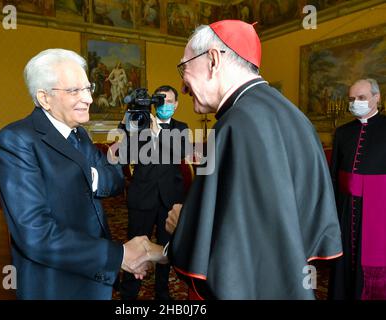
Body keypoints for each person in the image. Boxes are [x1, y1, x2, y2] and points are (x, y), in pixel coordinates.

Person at [137, 20, 343, 299]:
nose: (182, 88)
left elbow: (237, 244)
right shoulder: (293, 115)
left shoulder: (237, 123)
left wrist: (183, 224)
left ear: (212, 60)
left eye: (183, 68)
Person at [0, 48, 150, 300]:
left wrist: (89, 176)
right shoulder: (15, 141)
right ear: (44, 98)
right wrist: (119, 256)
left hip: (94, 277)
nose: (88, 98)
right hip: (56, 285)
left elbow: (116, 180)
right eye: (75, 91)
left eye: (88, 88)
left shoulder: (80, 135)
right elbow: (36, 234)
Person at [118, 85, 189, 300]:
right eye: (160, 100)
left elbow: (179, 152)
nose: (165, 105)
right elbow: (124, 146)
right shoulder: (141, 125)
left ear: (176, 104)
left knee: (166, 249)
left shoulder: (181, 127)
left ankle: (162, 291)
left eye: (169, 101)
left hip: (171, 198)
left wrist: (157, 132)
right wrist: (132, 113)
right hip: (142, 196)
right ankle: (129, 292)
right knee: (135, 245)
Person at [329, 78, 386, 300]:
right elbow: (334, 175)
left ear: (377, 98)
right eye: (352, 99)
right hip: (346, 209)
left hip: (379, 212)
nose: (355, 103)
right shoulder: (343, 132)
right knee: (344, 261)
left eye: (361, 98)